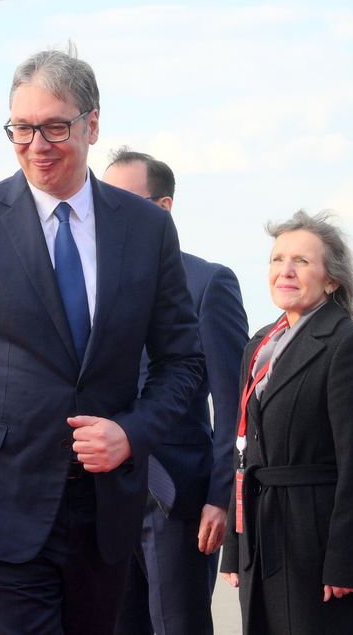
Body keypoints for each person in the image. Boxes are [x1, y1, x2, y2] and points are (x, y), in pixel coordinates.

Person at [0, 48, 204, 635]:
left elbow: (182, 362)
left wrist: (131, 432)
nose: (38, 145)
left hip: (106, 513)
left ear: (92, 124)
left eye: (55, 127)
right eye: (22, 129)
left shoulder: (146, 229)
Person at [104, 148, 248, 635]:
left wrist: (221, 498)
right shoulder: (93, 285)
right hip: (107, 499)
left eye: (121, 200)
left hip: (178, 500)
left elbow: (232, 407)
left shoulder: (208, 283)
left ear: (162, 208)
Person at [219, 210, 353, 634]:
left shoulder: (348, 345)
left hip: (316, 540)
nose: (285, 271)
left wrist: (349, 561)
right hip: (261, 534)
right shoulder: (259, 345)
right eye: (277, 259)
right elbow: (241, 451)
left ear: (331, 279)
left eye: (302, 261)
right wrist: (235, 549)